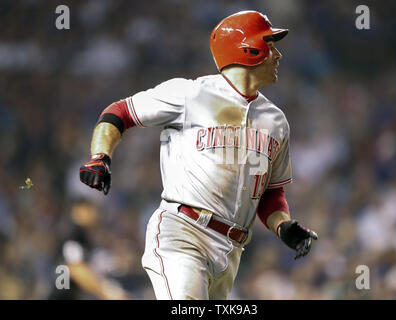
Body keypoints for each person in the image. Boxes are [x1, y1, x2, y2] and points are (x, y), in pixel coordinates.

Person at [79, 10, 318, 300]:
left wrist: (283, 226)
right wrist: (100, 155)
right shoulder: (189, 94)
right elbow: (119, 112)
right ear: (248, 49)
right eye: (270, 44)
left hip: (231, 251)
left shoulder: (276, 121)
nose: (278, 55)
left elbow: (270, 193)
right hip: (183, 231)